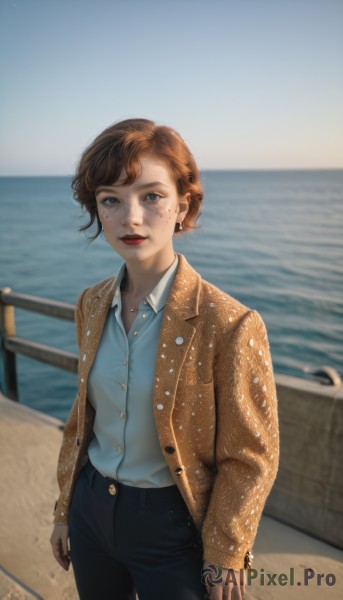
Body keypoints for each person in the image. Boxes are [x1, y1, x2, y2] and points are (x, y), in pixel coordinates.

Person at [50, 118, 279, 600]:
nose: (130, 217)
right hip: (91, 511)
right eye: (111, 199)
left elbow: (251, 457)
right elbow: (81, 419)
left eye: (151, 196)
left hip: (172, 526)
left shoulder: (230, 324)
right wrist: (64, 509)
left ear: (183, 205)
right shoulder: (91, 303)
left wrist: (225, 551)